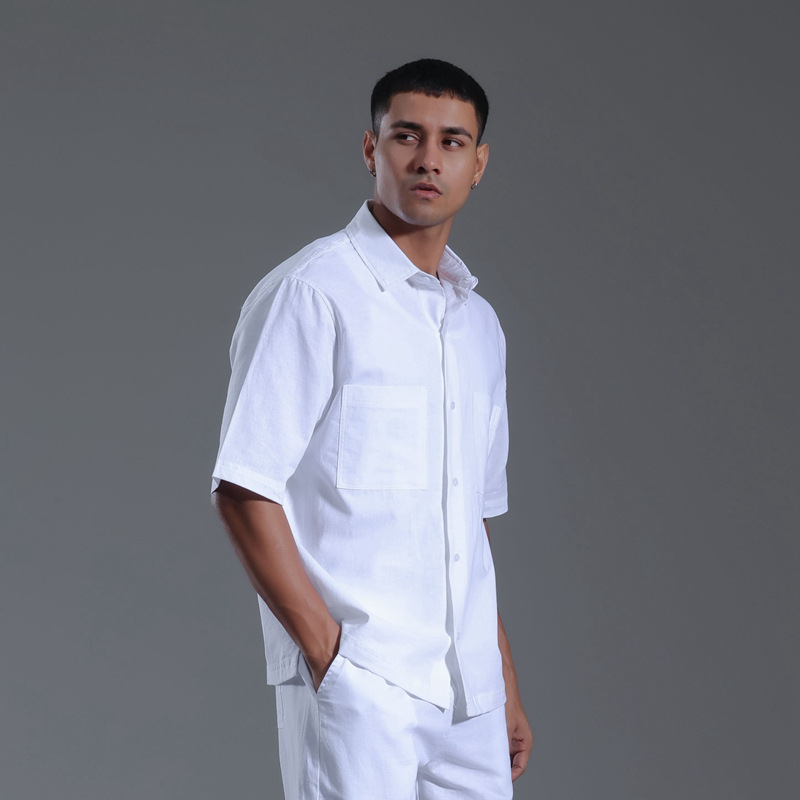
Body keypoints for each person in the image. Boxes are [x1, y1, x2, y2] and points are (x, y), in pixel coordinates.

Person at [211, 58, 532, 800]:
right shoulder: (314, 292)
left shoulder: (479, 326)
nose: (428, 160)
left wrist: (501, 679)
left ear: (479, 163)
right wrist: (330, 659)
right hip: (363, 683)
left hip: (469, 698)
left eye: (452, 142)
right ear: (370, 148)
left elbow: (468, 524)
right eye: (407, 136)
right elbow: (244, 487)